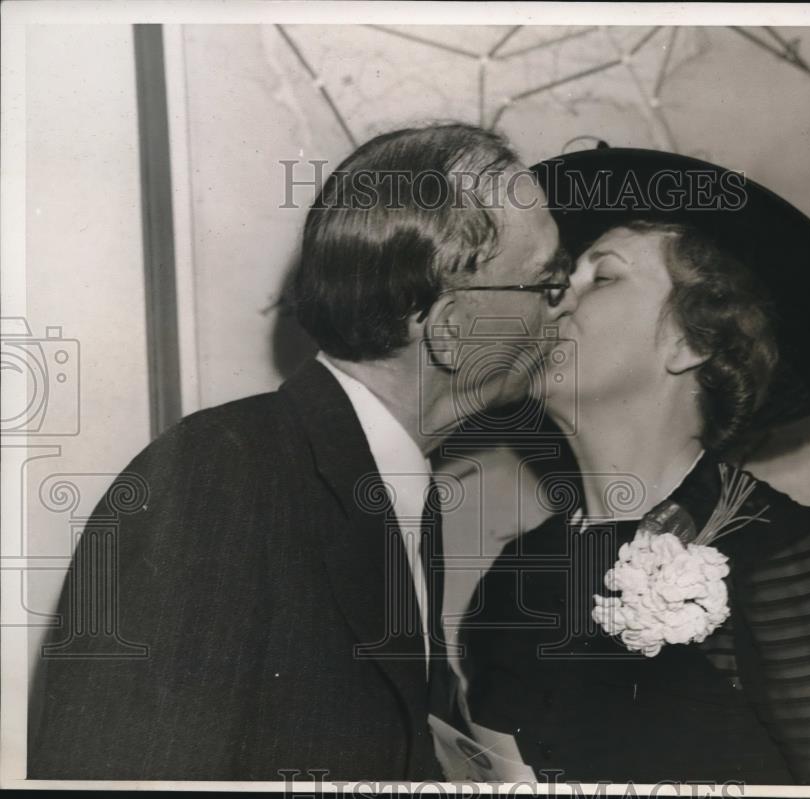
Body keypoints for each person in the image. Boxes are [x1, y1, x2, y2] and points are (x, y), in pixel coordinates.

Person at [27, 123, 576, 780]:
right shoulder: (219, 478)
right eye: (548, 282)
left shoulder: (390, 488)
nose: (564, 310)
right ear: (453, 332)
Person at [457, 146, 810, 786]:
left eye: (602, 277)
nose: (555, 298)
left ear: (691, 341)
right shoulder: (511, 581)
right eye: (558, 279)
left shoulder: (789, 558)